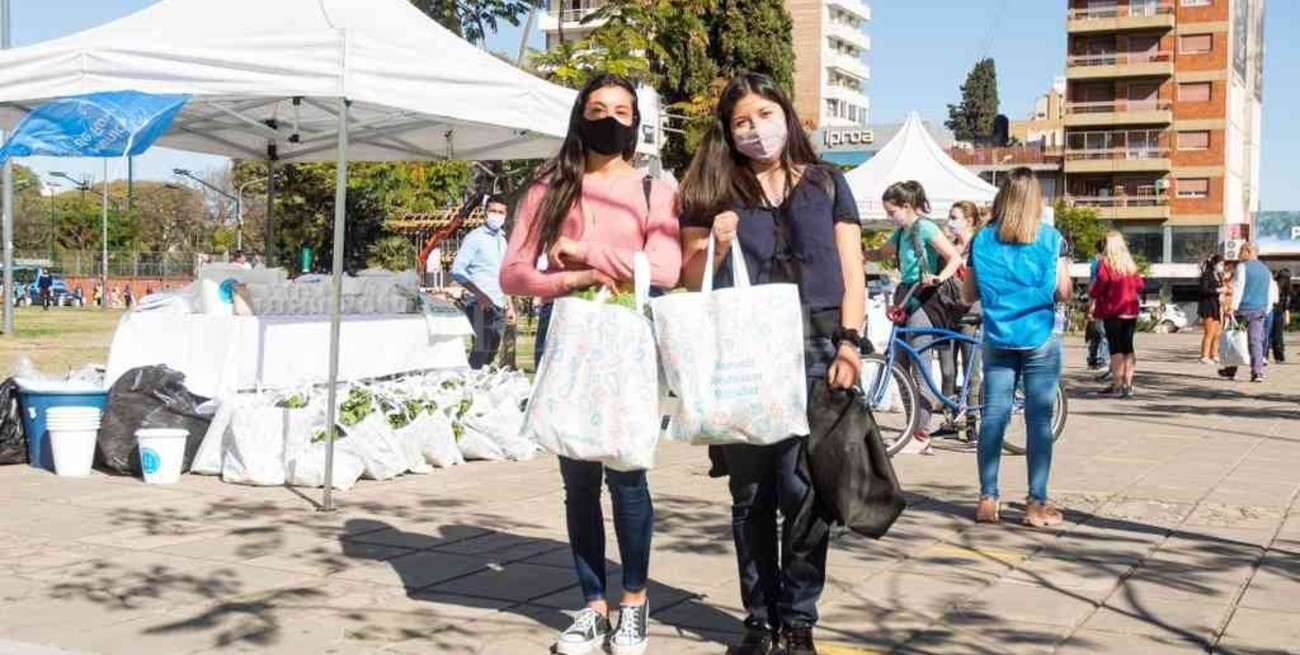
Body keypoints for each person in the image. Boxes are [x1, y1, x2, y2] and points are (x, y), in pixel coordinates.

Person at [679, 72, 865, 655]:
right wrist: (719, 244)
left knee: (805, 490)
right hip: (745, 350)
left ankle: (799, 618)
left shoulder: (828, 182)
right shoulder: (715, 187)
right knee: (751, 493)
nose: (755, 129)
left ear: (786, 114)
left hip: (816, 345)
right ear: (727, 131)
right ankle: (759, 620)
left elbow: (852, 268)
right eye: (741, 121)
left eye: (764, 115)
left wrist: (851, 342)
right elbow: (688, 274)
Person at [499, 73, 682, 655]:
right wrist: (572, 278)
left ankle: (634, 601)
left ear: (636, 124)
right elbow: (513, 273)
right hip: (569, 330)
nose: (609, 120)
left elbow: (665, 268)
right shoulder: (548, 188)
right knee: (577, 479)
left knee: (628, 475)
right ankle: (592, 606)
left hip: (627, 336)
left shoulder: (655, 189)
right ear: (580, 116)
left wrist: (584, 252)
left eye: (622, 111)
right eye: (598, 109)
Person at [961, 168, 1071, 527]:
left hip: (997, 335)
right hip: (1040, 335)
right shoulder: (1051, 238)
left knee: (994, 415)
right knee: (1038, 420)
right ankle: (1036, 505)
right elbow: (1064, 291)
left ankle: (987, 499)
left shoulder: (981, 240)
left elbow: (968, 294)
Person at [864, 181, 963, 450]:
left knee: (920, 365)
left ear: (907, 206)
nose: (889, 217)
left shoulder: (925, 227)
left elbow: (954, 258)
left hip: (924, 298)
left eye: (892, 212)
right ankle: (913, 427)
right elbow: (880, 253)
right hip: (904, 296)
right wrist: (858, 253)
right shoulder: (901, 233)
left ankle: (921, 433)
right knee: (898, 363)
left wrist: (938, 277)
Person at [451, 195, 515, 370]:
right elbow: (457, 271)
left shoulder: (502, 240)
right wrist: (479, 294)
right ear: (485, 212)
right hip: (478, 304)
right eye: (493, 211)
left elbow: (503, 275)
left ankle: (479, 383)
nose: (497, 215)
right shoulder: (475, 237)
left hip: (499, 305)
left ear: (506, 215)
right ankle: (469, 384)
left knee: (490, 354)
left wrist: (509, 305)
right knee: (480, 350)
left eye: (501, 212)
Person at [942, 201, 983, 444]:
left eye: (954, 217)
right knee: (947, 370)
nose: (950, 222)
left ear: (968, 221)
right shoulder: (948, 247)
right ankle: (949, 418)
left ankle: (971, 422)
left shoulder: (978, 245)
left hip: (972, 313)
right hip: (947, 313)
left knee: (971, 371)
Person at [1089, 231, 1144, 397]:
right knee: (1128, 346)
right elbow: (1140, 285)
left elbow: (1101, 284)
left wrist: (1092, 294)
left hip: (1113, 309)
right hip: (1130, 309)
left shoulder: (1106, 264)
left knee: (1115, 347)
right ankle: (1128, 384)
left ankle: (1117, 385)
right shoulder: (1129, 264)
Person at [1218, 244, 1272, 382]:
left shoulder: (1243, 267)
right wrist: (1267, 308)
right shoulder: (1265, 269)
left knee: (1234, 338)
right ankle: (1257, 372)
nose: (1239, 254)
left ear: (1249, 251)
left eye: (1241, 251)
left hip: (1243, 310)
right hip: (1259, 310)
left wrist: (1232, 307)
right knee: (1255, 341)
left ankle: (1231, 370)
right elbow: (1270, 291)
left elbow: (1239, 287)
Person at [1086, 240, 1111, 376]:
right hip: (1100, 301)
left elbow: (1092, 283)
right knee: (1104, 333)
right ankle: (1103, 360)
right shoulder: (1100, 263)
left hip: (1096, 299)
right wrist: (1093, 303)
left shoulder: (1094, 262)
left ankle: (1093, 359)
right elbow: (1096, 283)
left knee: (1096, 333)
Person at [1198, 254, 1226, 365]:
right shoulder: (1206, 275)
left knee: (1217, 333)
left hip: (1217, 307)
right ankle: (1204, 355)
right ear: (1214, 264)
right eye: (1220, 264)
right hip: (1208, 307)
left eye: (1223, 264)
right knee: (1209, 332)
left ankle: (1214, 354)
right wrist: (1217, 290)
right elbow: (1204, 290)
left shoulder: (1218, 276)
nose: (1222, 266)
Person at [1269, 268, 1292, 363]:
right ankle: (1279, 355)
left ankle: (1265, 354)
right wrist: (1286, 310)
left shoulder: (1274, 284)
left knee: (1269, 333)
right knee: (1278, 334)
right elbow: (1287, 302)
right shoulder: (1288, 287)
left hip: (1272, 309)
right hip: (1280, 311)